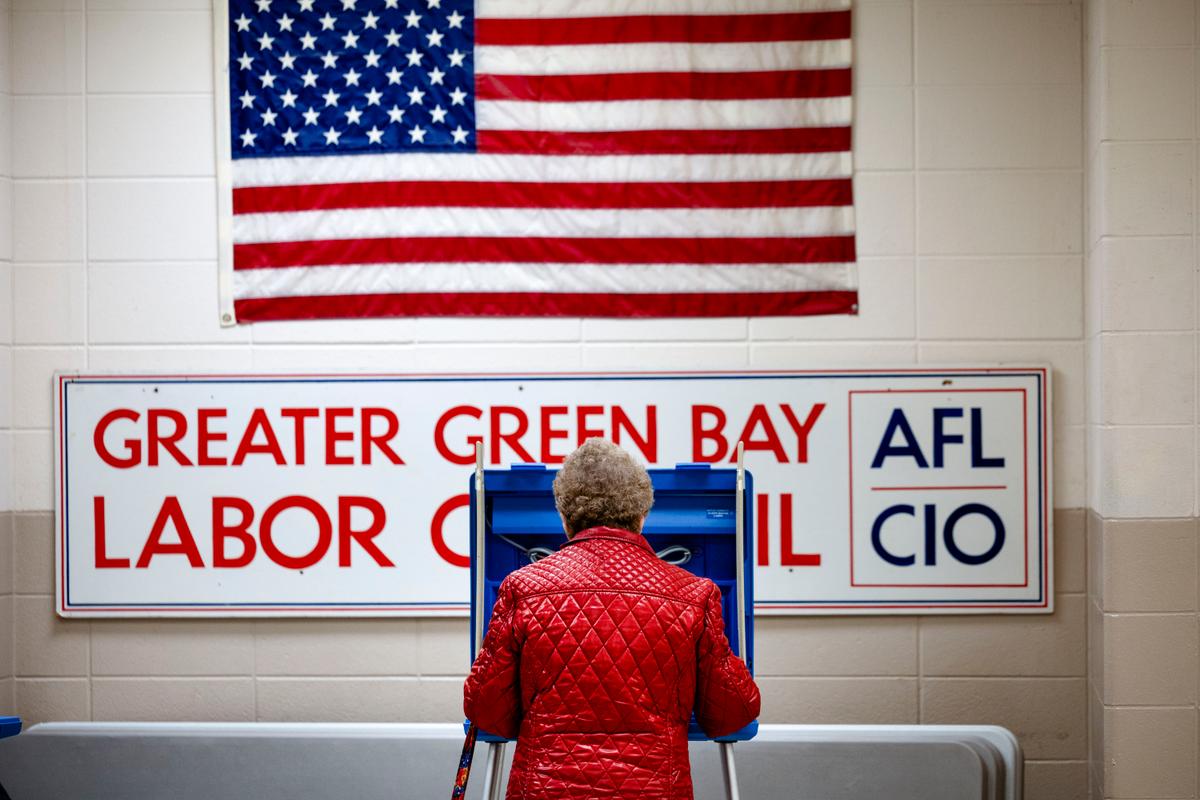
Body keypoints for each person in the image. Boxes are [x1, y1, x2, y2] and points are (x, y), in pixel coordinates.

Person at [463, 438, 761, 799]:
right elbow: (733, 714)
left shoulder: (521, 588)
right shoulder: (694, 594)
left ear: (564, 515)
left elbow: (485, 710)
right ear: (642, 515)